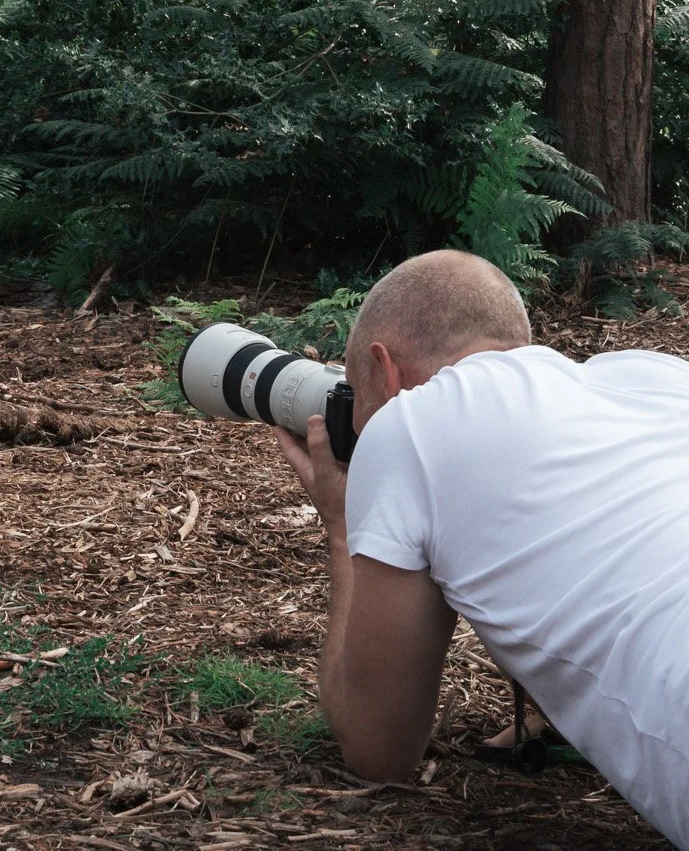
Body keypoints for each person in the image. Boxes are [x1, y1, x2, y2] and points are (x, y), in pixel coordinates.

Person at [274, 249, 689, 846]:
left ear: (383, 369)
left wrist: (341, 524)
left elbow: (378, 749)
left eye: (356, 400)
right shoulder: (653, 376)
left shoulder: (407, 426)